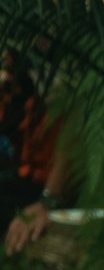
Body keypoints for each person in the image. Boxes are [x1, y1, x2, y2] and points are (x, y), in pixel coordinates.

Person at [1, 45, 70, 256]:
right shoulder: (16, 57)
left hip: (45, 187)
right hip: (18, 175)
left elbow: (73, 145)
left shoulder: (64, 72)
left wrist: (48, 202)